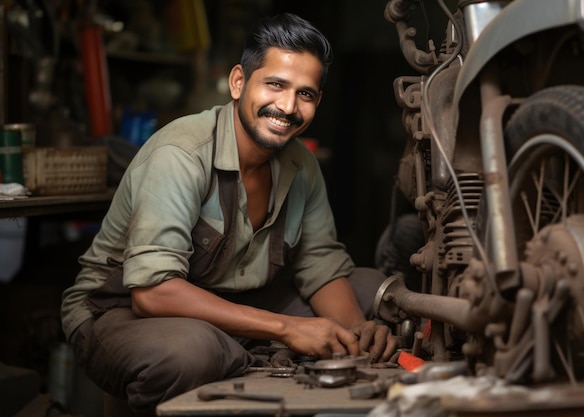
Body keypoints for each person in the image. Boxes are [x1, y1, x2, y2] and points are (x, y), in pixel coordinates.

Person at [60, 12, 396, 414]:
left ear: (317, 101)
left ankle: (242, 349)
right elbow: (152, 293)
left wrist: (354, 333)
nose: (287, 107)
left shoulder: (301, 166)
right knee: (191, 352)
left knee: (367, 288)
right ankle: (233, 353)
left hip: (235, 298)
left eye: (305, 94)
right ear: (239, 82)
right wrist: (288, 328)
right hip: (116, 311)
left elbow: (320, 263)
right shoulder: (181, 154)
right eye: (275, 84)